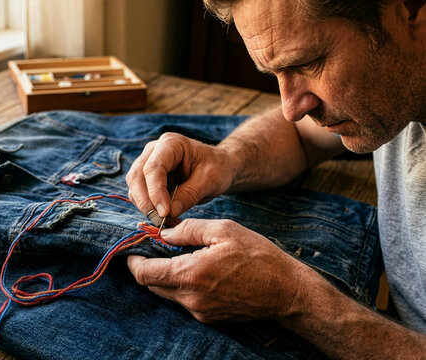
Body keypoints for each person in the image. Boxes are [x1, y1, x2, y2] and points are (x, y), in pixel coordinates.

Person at [125, 0, 426, 358]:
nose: (291, 108)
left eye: (307, 63)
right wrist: (225, 159)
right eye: (275, 74)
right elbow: (301, 137)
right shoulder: (395, 89)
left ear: (411, 10)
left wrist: (295, 298)